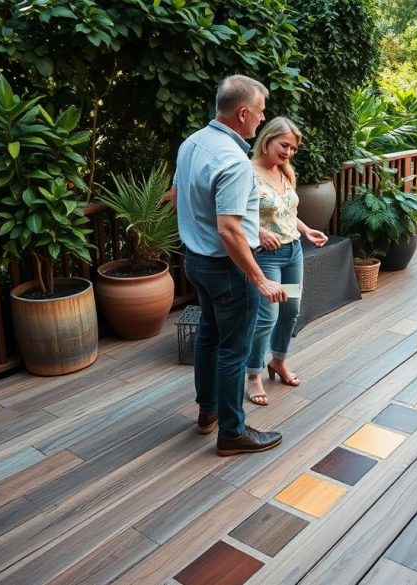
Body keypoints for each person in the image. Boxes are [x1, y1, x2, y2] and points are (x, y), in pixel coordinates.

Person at [174, 75, 286, 456]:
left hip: (197, 263)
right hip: (227, 270)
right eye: (259, 111)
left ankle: (208, 414)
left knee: (208, 334)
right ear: (242, 113)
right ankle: (233, 432)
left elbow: (176, 197)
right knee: (233, 350)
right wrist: (259, 279)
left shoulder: (192, 144)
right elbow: (230, 229)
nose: (262, 118)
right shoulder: (233, 160)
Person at [245, 117, 328, 405]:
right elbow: (232, 216)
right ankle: (253, 373)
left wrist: (306, 230)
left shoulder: (285, 172)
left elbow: (287, 212)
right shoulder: (246, 173)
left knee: (290, 310)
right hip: (266, 258)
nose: (289, 153)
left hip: (293, 252)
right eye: (284, 146)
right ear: (267, 140)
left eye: (293, 149)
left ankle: (278, 360)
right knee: (266, 316)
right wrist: (257, 230)